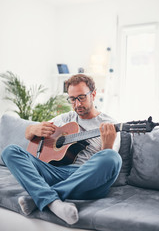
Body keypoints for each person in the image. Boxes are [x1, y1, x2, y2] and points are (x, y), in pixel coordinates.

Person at [1, 74, 122, 225]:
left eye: (82, 97)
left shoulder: (109, 124)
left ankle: (43, 198)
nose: (77, 104)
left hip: (89, 180)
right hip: (58, 173)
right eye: (72, 99)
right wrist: (34, 128)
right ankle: (55, 203)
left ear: (94, 94)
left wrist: (107, 147)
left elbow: (106, 167)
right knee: (9, 151)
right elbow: (29, 134)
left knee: (112, 157)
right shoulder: (66, 119)